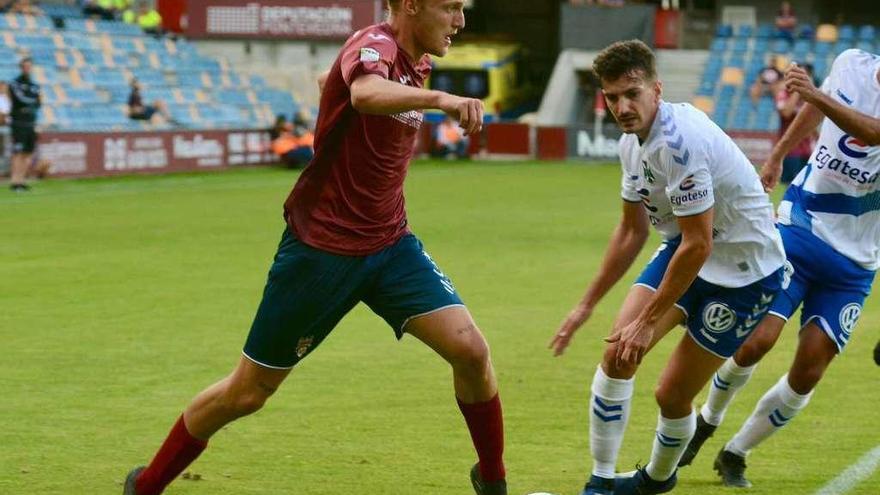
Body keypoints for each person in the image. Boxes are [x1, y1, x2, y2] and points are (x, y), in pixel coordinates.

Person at [123, 1, 507, 494]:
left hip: (390, 246)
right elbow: (366, 93)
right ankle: (148, 485)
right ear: (411, 5)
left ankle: (493, 481)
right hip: (320, 252)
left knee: (471, 350)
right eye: (450, 7)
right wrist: (441, 100)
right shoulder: (373, 46)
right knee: (247, 393)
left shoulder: (419, 62)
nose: (460, 20)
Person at [548, 39, 786, 495]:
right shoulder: (630, 146)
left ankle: (654, 481)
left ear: (656, 89)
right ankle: (599, 482)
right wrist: (585, 306)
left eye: (631, 93)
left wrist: (646, 321)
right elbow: (632, 233)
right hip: (686, 248)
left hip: (745, 273)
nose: (622, 106)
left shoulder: (679, 144)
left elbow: (699, 244)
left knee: (672, 396)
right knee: (617, 356)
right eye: (612, 96)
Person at [678, 49, 880, 488]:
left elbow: (872, 131)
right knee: (755, 342)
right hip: (801, 225)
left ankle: (736, 452)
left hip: (856, 261)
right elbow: (813, 109)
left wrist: (817, 95)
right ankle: (707, 421)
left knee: (809, 370)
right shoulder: (851, 63)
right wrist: (778, 155)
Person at [775, 63, 815, 183]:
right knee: (791, 185)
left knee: (806, 185)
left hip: (807, 149)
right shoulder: (784, 94)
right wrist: (798, 91)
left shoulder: (810, 97)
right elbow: (786, 113)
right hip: (791, 150)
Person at [9, 57, 41, 192]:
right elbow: (20, 100)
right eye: (25, 66)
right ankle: (14, 182)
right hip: (18, 123)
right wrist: (32, 101)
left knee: (28, 153)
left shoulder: (34, 85)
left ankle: (22, 181)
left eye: (29, 66)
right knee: (18, 152)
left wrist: (31, 102)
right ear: (21, 68)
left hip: (30, 123)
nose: (27, 68)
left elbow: (38, 103)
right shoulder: (15, 83)